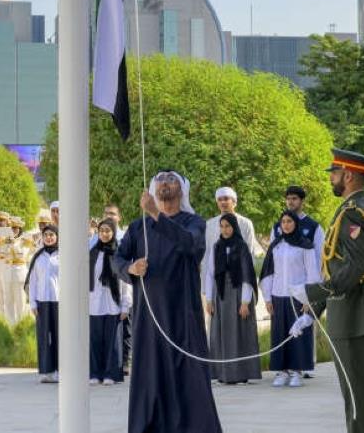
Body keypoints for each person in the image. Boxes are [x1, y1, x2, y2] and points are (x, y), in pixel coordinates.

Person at [289, 149, 364, 433]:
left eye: (334, 174)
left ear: (348, 175)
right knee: (359, 394)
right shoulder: (359, 207)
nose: (331, 179)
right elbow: (341, 267)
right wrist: (314, 310)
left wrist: (314, 291)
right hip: (360, 308)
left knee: (358, 397)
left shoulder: (353, 213)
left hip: (354, 315)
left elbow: (355, 266)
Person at [113, 170, 223, 433]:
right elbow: (117, 259)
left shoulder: (194, 222)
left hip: (183, 315)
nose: (165, 183)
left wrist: (156, 214)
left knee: (190, 377)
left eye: (171, 179)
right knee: (151, 376)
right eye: (160, 179)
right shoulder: (138, 226)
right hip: (148, 318)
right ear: (153, 188)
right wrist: (130, 268)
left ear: (182, 190)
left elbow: (190, 245)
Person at [260, 209, 319, 387]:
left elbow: (312, 273)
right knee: (279, 334)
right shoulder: (275, 245)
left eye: (289, 222)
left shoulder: (305, 245)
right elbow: (268, 273)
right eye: (283, 222)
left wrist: (309, 300)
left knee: (298, 334)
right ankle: (282, 371)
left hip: (298, 297)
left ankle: (297, 371)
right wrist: (267, 298)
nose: (285, 225)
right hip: (278, 295)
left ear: (296, 224)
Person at [203, 212, 261, 385]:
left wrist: (245, 302)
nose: (225, 229)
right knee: (219, 334)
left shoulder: (241, 246)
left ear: (234, 227)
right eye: (222, 226)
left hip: (238, 295)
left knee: (239, 334)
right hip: (221, 296)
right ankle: (223, 374)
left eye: (228, 226)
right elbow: (210, 274)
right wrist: (209, 299)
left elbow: (247, 276)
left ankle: (241, 373)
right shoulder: (216, 247)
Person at [90, 219, 130, 385]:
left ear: (113, 232)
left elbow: (126, 281)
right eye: (102, 231)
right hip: (94, 303)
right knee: (95, 341)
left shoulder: (119, 254)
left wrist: (126, 305)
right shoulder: (92, 253)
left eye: (108, 231)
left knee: (113, 342)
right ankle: (94, 373)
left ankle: (111, 374)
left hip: (114, 303)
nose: (104, 234)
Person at [27, 221, 60, 383]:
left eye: (51, 235)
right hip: (42, 302)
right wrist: (32, 303)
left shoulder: (62, 255)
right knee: (44, 337)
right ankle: (46, 371)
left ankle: (60, 370)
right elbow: (32, 282)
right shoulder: (38, 257)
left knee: (60, 336)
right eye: (46, 235)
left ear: (57, 237)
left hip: (59, 302)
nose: (48, 238)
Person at [205, 187, 258, 263]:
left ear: (234, 202)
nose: (223, 202)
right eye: (219, 200)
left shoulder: (246, 223)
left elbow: (250, 252)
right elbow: (207, 253)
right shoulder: (210, 224)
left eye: (226, 199)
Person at [271, 185, 324, 261]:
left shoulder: (313, 227)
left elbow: (320, 256)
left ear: (302, 201)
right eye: (288, 199)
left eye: (294, 199)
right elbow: (272, 255)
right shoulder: (277, 227)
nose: (290, 202)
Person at [2, 216, 36, 323]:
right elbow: (2, 254)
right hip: (8, 273)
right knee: (8, 301)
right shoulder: (6, 239)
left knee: (20, 301)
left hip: (19, 273)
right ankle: (10, 325)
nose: (13, 230)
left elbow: (22, 256)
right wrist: (6, 245)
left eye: (16, 228)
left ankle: (20, 324)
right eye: (12, 228)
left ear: (20, 228)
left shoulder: (25, 239)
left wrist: (13, 245)